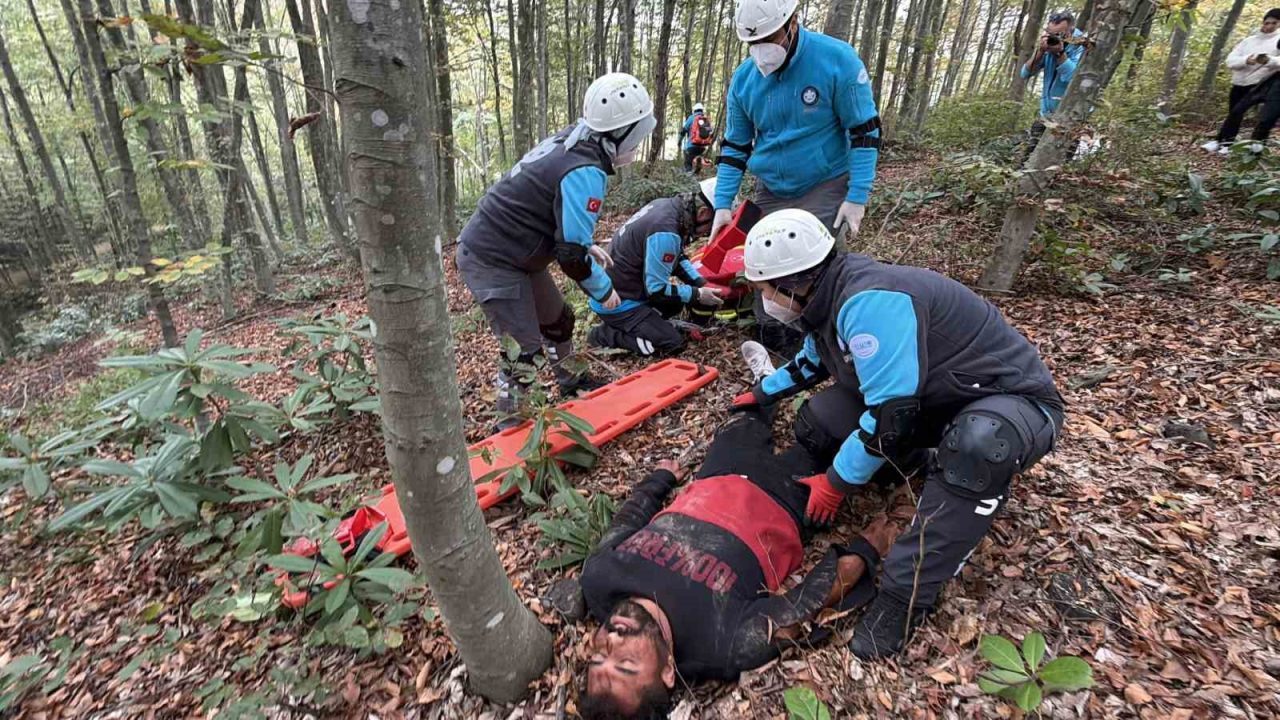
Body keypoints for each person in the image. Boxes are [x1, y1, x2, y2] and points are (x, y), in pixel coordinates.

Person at [732, 209, 1065, 660]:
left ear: (790, 282)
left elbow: (892, 417)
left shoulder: (870, 303)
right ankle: (927, 467)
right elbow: (814, 361)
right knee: (822, 420)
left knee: (979, 446)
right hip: (937, 399)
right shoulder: (825, 295)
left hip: (1008, 404)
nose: (764, 298)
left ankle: (906, 596)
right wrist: (762, 394)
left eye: (764, 288)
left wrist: (835, 483)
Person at [577, 350, 914, 718]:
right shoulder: (722, 644)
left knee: (746, 411)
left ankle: (772, 379)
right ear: (668, 672)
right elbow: (807, 605)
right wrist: (867, 547)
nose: (612, 639)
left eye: (598, 657)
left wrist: (659, 480)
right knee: (836, 432)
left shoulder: (599, 581)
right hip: (785, 496)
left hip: (717, 474)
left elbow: (625, 524)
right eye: (625, 663)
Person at [456, 73, 656, 429]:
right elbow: (570, 256)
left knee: (559, 321)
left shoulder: (576, 141)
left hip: (521, 253)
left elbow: (552, 208)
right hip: (494, 258)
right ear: (618, 133)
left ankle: (572, 381)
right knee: (523, 352)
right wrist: (604, 290)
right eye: (636, 135)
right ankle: (512, 428)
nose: (637, 145)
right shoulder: (585, 169)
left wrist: (583, 242)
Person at [708, 0, 881, 242]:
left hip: (824, 182)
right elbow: (735, 147)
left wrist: (857, 196)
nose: (762, 48)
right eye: (754, 43)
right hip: (771, 187)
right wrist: (723, 204)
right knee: (762, 263)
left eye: (770, 37)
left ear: (793, 22)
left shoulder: (838, 60)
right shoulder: (743, 80)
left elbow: (864, 131)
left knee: (815, 264)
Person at [586, 179, 724, 357]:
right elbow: (657, 289)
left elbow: (677, 257)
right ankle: (604, 334)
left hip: (626, 287)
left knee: (676, 303)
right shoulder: (666, 230)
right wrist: (697, 294)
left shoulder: (669, 207)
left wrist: (700, 282)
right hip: (617, 301)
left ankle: (647, 322)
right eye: (710, 227)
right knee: (672, 343)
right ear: (704, 213)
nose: (706, 233)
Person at [1202, 9, 1280, 153]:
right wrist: (1246, 60)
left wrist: (1268, 60)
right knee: (1234, 113)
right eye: (1266, 22)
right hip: (1240, 81)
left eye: (1274, 23)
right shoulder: (1248, 41)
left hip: (1263, 83)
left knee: (1265, 117)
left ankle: (1255, 148)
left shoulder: (1278, 40)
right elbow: (1231, 60)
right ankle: (1224, 143)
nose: (1269, 26)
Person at [1018, 11, 1086, 158]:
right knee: (1027, 161)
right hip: (1046, 116)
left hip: (1070, 118)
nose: (1054, 38)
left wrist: (1060, 53)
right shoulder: (1048, 47)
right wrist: (1040, 52)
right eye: (1051, 33)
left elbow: (1072, 79)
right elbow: (1024, 73)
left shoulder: (1082, 46)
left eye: (1059, 34)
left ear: (1071, 30)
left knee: (1058, 165)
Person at [678, 103, 714, 173]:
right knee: (698, 166)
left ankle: (689, 180)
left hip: (691, 146)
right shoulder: (705, 120)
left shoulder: (692, 118)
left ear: (694, 110)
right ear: (702, 110)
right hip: (702, 148)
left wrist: (679, 141)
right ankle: (697, 180)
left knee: (688, 165)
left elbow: (683, 131)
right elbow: (710, 133)